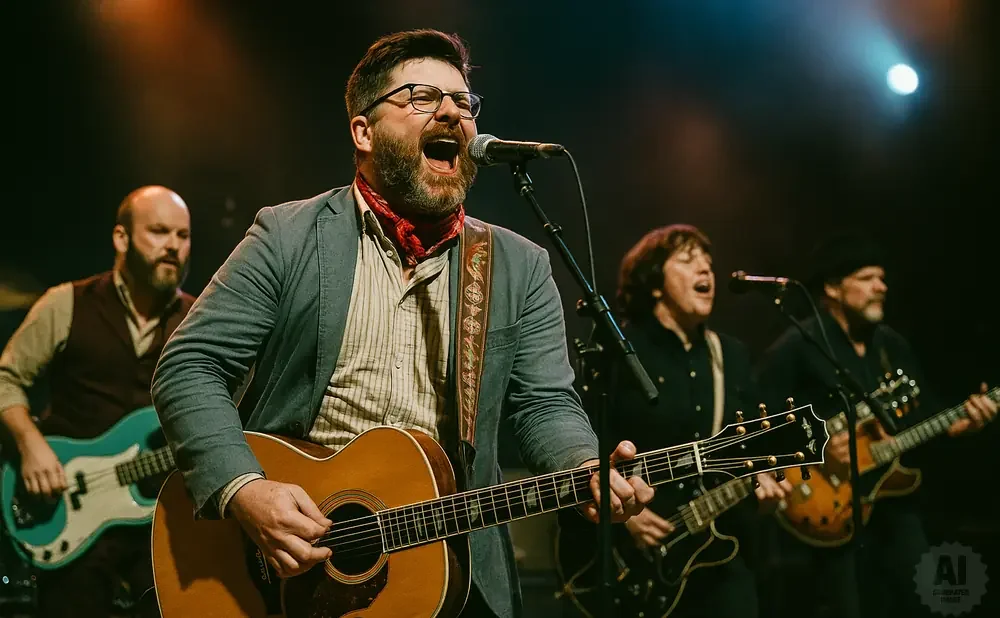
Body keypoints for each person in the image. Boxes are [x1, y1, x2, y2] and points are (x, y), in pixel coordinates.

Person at [150, 29, 653, 618]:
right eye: (420, 96)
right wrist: (244, 489)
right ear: (363, 132)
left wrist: (582, 464)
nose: (451, 112)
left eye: (463, 102)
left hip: (446, 572)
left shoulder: (519, 265)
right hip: (284, 576)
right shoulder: (287, 235)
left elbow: (545, 405)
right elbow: (190, 365)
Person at [754, 234, 996, 618]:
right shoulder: (798, 345)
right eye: (867, 277)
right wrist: (819, 451)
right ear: (832, 287)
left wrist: (962, 423)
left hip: (893, 500)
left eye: (882, 278)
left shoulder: (891, 345)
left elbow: (925, 414)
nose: (881, 287)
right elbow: (757, 417)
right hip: (827, 503)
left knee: (924, 602)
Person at [559, 224, 791, 618]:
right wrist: (625, 520)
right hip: (632, 554)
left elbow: (756, 448)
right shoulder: (620, 353)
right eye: (688, 261)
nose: (706, 271)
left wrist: (767, 484)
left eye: (709, 264)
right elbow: (585, 443)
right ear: (654, 284)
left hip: (719, 550)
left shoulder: (730, 356)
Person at [0, 185, 194, 617]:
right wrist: (30, 446)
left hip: (161, 523)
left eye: (182, 236)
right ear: (121, 238)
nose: (173, 247)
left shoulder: (199, 320)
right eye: (159, 232)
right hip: (69, 510)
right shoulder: (65, 303)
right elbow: (6, 380)